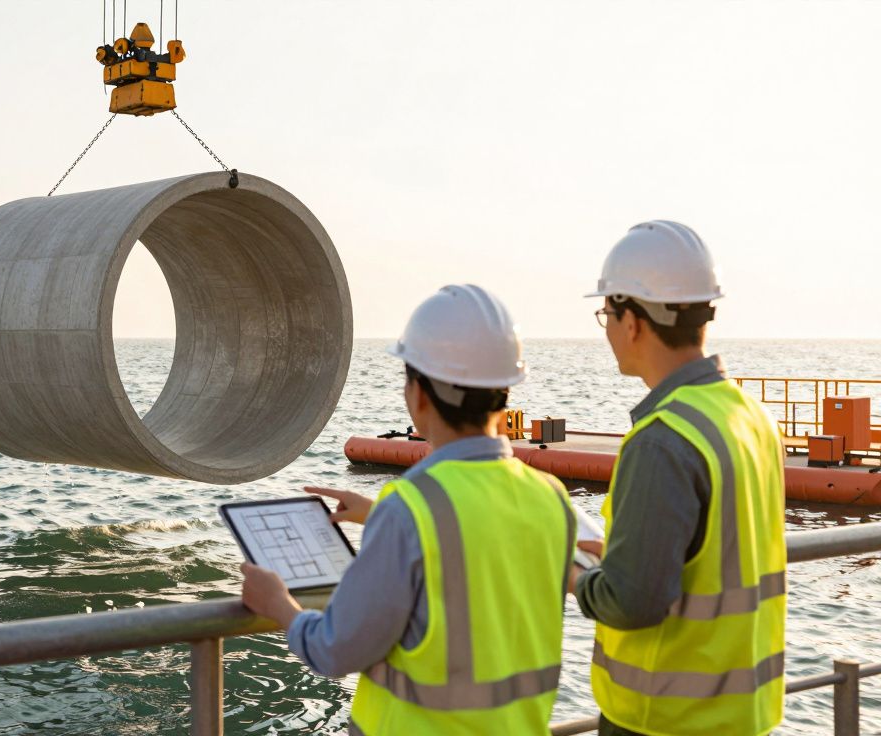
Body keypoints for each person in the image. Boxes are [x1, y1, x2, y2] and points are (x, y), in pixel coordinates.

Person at [241, 284, 576, 734]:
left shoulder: (411, 507)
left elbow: (336, 650)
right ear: (505, 395)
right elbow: (480, 547)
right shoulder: (550, 494)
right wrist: (380, 515)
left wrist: (279, 605)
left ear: (418, 394)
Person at [573, 221, 786, 736]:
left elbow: (635, 602)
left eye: (606, 313)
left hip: (663, 721)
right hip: (743, 715)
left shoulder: (661, 440)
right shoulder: (751, 417)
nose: (606, 329)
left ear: (634, 321)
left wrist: (576, 578)